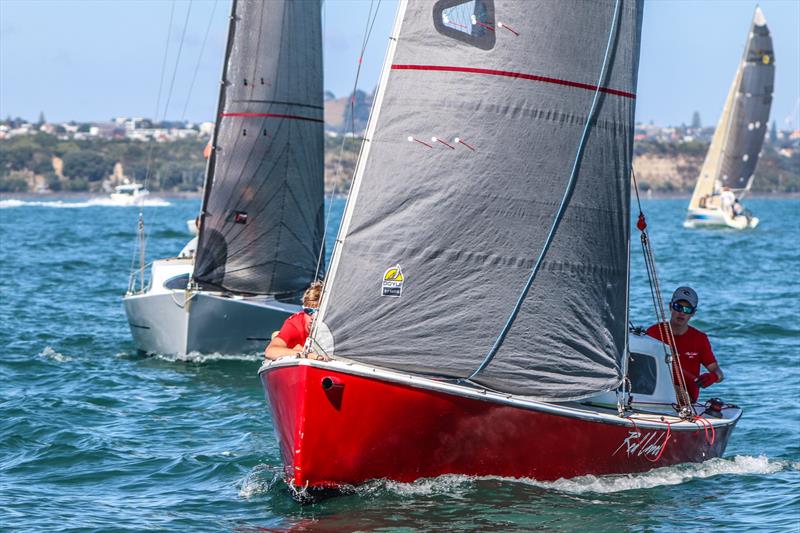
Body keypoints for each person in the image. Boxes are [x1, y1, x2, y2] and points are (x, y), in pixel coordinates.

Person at [646, 286, 724, 403]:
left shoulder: (700, 339)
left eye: (687, 310)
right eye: (678, 307)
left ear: (693, 313)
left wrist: (713, 377)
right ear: (670, 307)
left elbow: (719, 373)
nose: (682, 313)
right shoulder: (653, 332)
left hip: (687, 403)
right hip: (655, 397)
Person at [264, 281, 329, 361]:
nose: (313, 317)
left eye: (318, 312)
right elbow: (270, 352)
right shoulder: (295, 324)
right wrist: (307, 355)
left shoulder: (336, 324)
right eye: (309, 311)